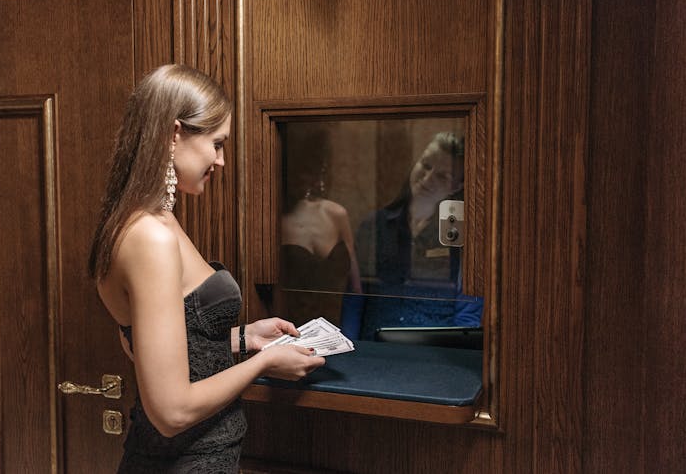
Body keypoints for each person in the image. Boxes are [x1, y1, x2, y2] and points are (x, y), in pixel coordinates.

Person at [88, 64, 325, 473]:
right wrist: (264, 364)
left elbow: (173, 347)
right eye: (216, 144)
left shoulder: (151, 220)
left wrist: (244, 338)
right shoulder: (150, 236)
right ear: (174, 134)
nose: (221, 160)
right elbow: (171, 410)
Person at [342, 131, 483, 341]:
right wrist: (348, 348)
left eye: (442, 175)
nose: (427, 178)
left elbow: (468, 313)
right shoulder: (374, 225)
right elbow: (354, 298)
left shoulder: (466, 236)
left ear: (458, 185)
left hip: (436, 354)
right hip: (374, 350)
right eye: (426, 165)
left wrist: (454, 360)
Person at [275, 124, 362, 328]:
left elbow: (356, 290)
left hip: (340, 334)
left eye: (311, 170)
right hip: (290, 335)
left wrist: (352, 340)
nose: (305, 178)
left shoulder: (336, 214)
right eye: (299, 170)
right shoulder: (272, 222)